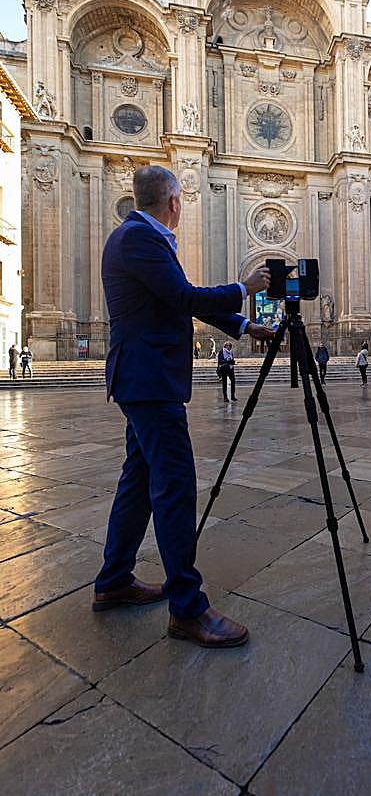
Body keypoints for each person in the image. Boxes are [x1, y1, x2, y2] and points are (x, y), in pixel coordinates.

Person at [93, 165, 274, 649]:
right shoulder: (140, 240)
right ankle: (188, 609)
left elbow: (180, 301)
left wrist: (241, 326)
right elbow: (183, 297)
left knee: (139, 480)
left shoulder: (138, 237)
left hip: (144, 378)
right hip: (149, 381)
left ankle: (114, 580)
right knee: (174, 485)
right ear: (173, 202)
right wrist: (245, 290)